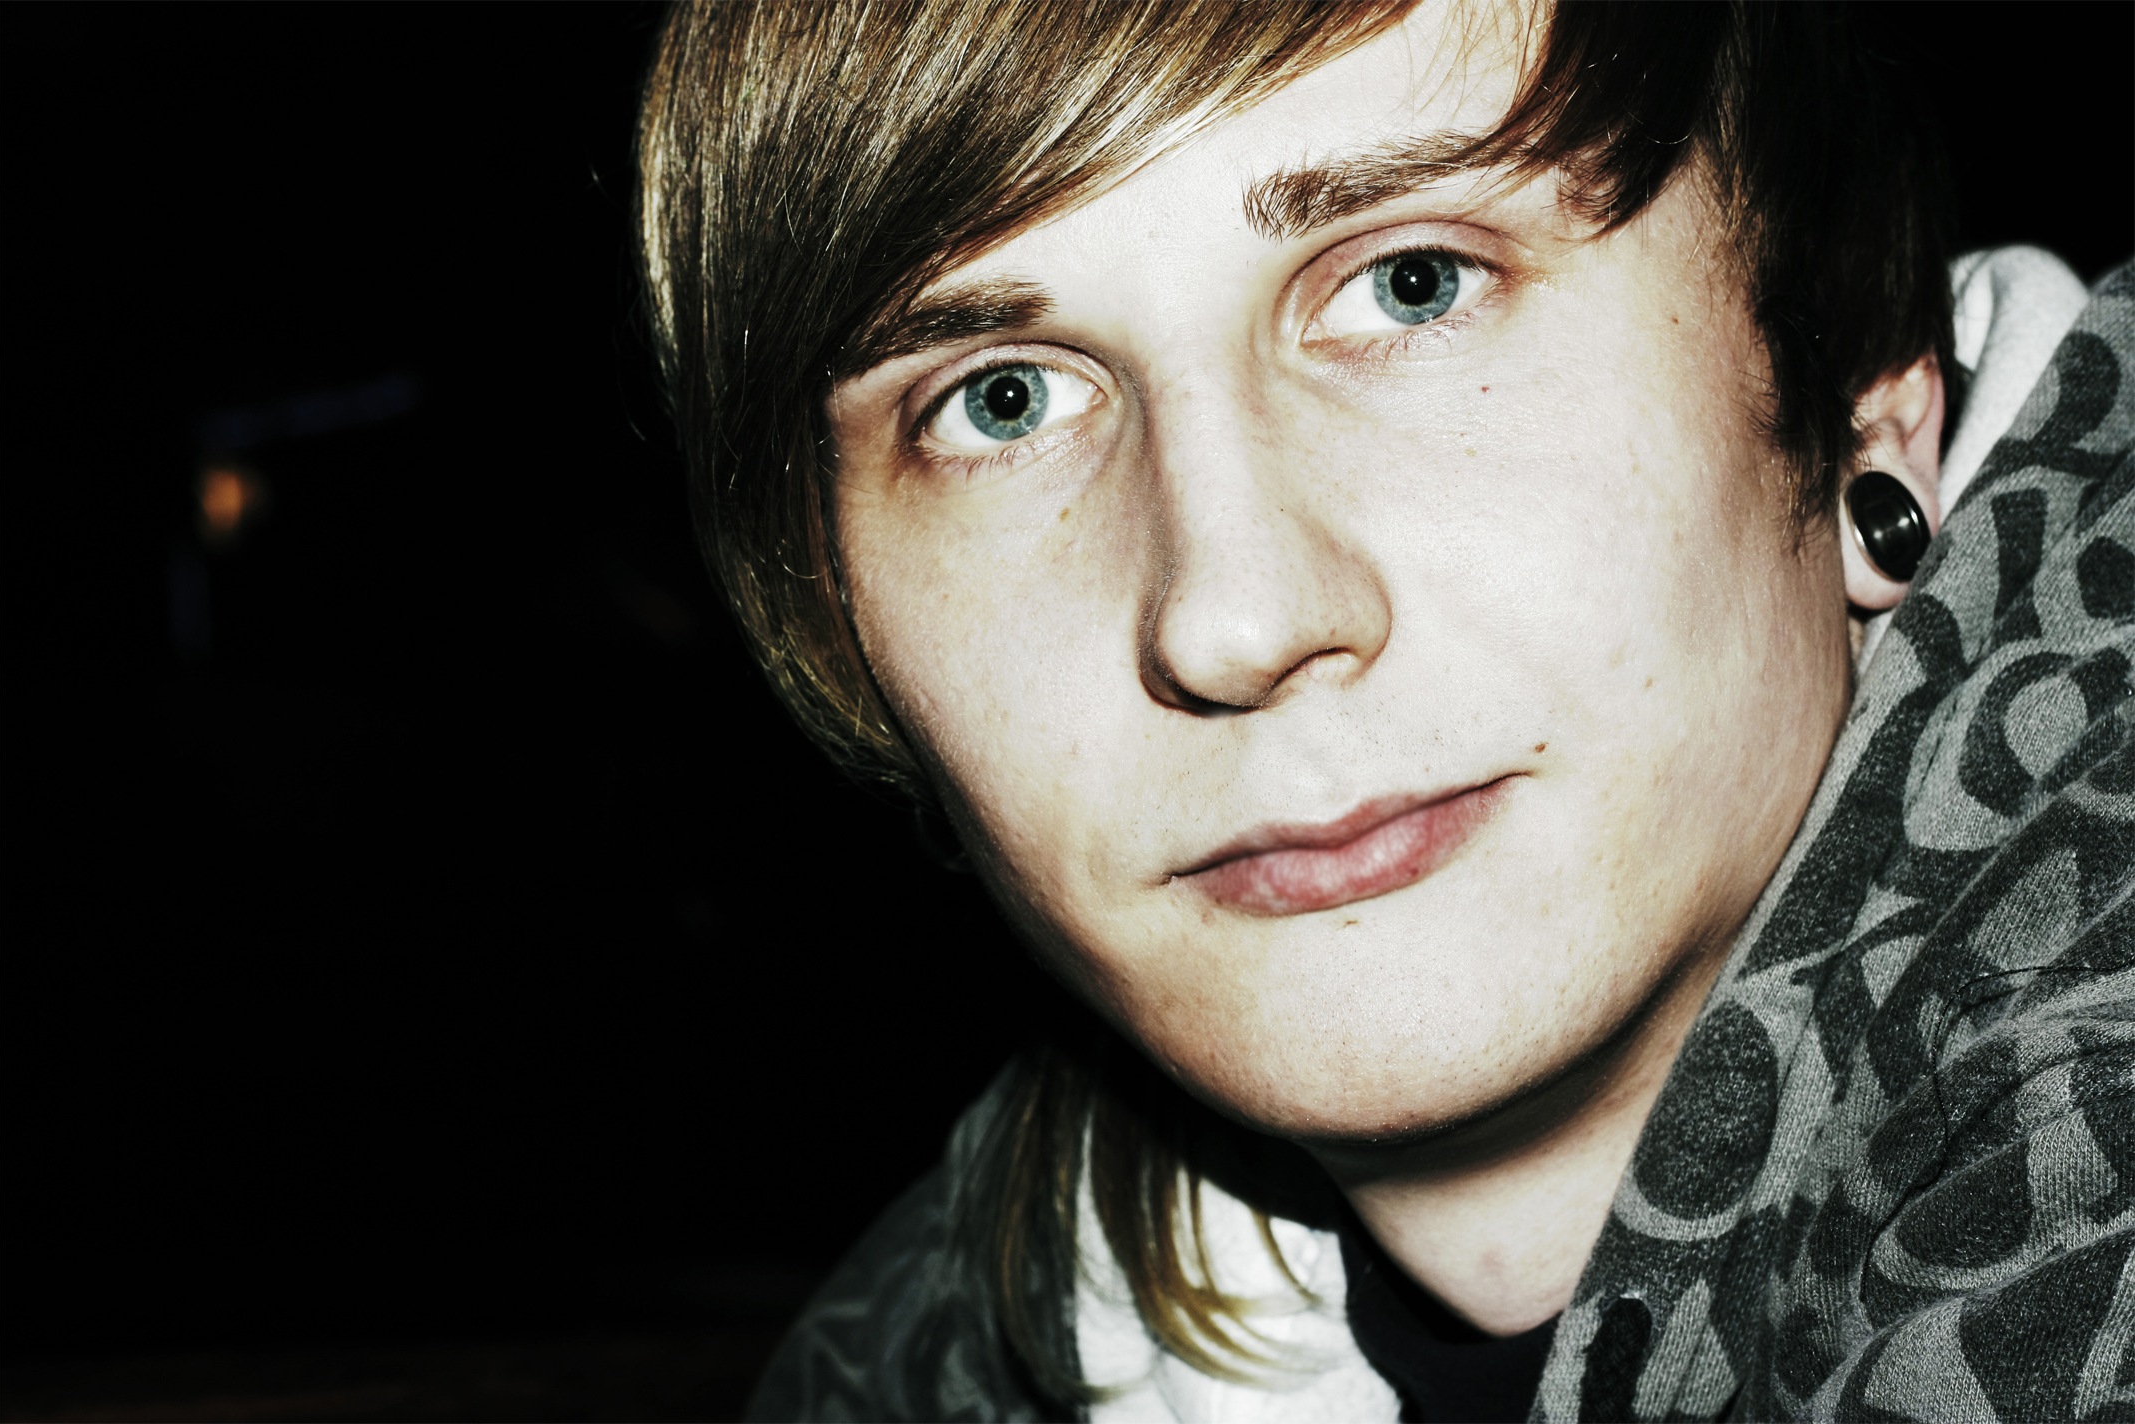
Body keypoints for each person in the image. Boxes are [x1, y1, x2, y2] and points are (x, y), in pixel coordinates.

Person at [636, 1, 2135, 1418]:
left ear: (1866, 396)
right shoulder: (936, 1342)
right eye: (1003, 399)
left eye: (1415, 282)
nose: (1234, 621)